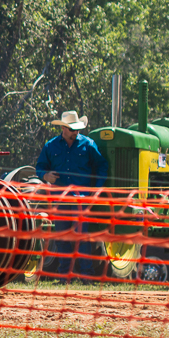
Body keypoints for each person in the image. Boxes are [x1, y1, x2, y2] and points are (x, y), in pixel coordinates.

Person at [35, 110, 110, 281]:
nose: (75, 132)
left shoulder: (88, 145)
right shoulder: (50, 146)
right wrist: (45, 176)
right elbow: (40, 167)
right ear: (63, 128)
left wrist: (95, 191)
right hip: (60, 199)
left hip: (81, 199)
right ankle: (65, 276)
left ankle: (86, 276)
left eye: (77, 129)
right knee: (62, 238)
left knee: (81, 238)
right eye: (72, 129)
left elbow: (101, 166)